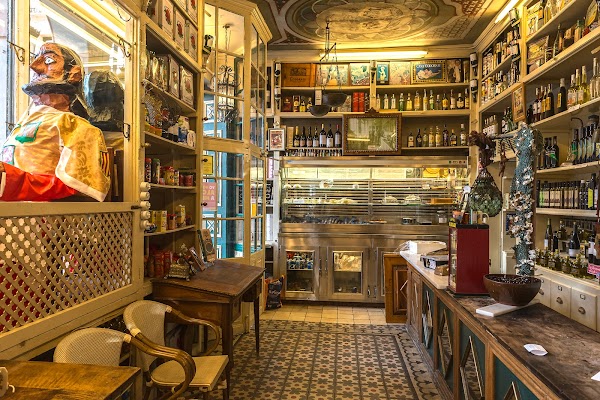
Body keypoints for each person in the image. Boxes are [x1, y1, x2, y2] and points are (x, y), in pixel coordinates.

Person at [0, 42, 110, 201]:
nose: (34, 66)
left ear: (73, 74)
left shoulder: (79, 128)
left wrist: (10, 178)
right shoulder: (23, 123)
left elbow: (76, 188)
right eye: (35, 58)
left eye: (49, 60)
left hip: (40, 216)